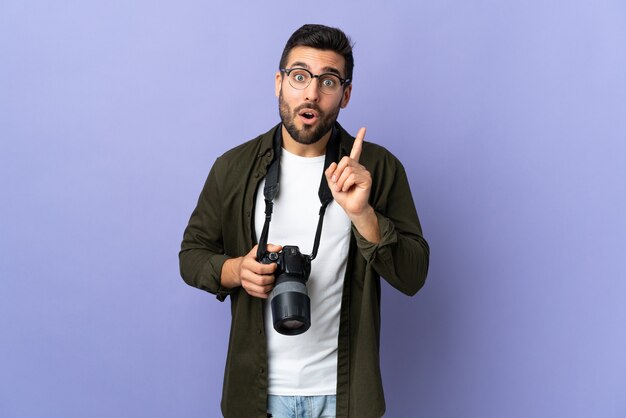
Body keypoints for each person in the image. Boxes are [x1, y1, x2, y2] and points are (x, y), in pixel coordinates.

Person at [179, 24, 429, 418]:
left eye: (328, 81)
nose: (311, 92)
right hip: (258, 396)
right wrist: (235, 270)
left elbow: (413, 276)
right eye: (299, 77)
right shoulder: (233, 168)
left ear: (345, 95)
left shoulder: (375, 169)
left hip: (345, 397)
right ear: (279, 83)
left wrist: (363, 215)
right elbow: (191, 255)